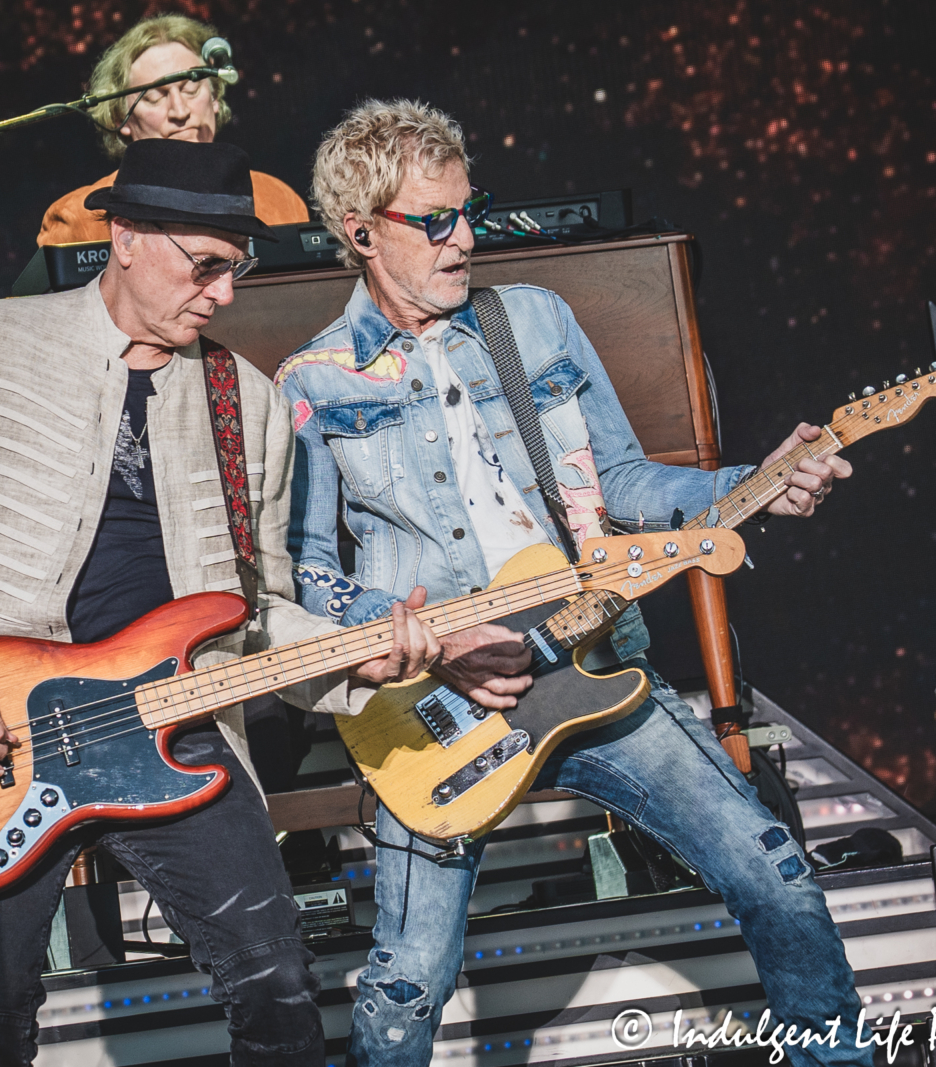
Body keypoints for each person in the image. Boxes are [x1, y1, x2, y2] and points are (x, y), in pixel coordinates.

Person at [276, 99, 868, 1067]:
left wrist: (755, 483)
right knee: (406, 982)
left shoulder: (533, 322)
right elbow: (307, 583)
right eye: (432, 222)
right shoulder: (315, 383)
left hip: (586, 659)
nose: (462, 237)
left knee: (778, 876)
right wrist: (425, 638)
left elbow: (628, 484)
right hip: (433, 704)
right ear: (360, 233)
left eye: (467, 211)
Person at [0, 138, 441, 1067]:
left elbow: (258, 613)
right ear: (127, 235)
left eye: (235, 269)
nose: (223, 294)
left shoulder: (247, 404)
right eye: (205, 266)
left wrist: (354, 654)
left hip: (172, 722)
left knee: (279, 988)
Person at [36, 13, 308, 246]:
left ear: (214, 97)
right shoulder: (78, 219)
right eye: (155, 97)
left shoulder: (280, 200)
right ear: (122, 118)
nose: (180, 111)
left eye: (191, 89)